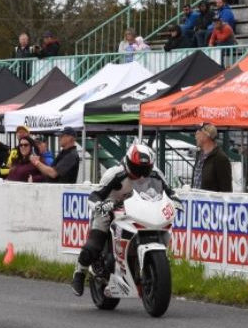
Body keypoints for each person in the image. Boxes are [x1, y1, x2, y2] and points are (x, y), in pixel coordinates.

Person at [71, 144, 181, 296]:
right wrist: (101, 207)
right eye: (137, 169)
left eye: (145, 170)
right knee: (94, 244)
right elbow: (94, 196)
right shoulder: (115, 174)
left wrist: (176, 201)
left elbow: (170, 192)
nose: (142, 175)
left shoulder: (156, 173)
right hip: (110, 209)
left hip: (138, 210)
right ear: (128, 163)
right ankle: (79, 273)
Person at [192, 123, 233, 192]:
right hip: (196, 201)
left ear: (206, 135)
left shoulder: (221, 158)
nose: (195, 135)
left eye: (198, 132)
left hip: (211, 202)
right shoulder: (199, 155)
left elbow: (226, 190)